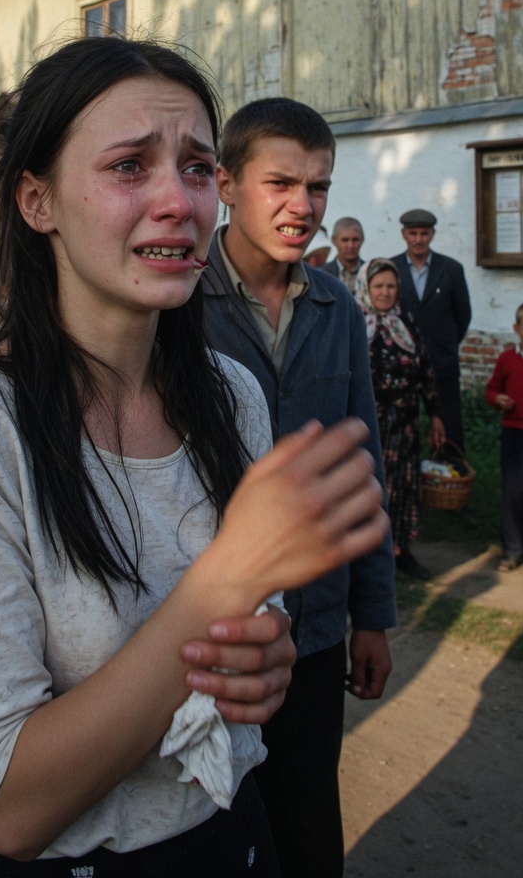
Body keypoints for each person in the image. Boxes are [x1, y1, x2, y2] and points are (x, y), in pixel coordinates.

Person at [0, 39, 387, 878]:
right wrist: (227, 577)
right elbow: (9, 808)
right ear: (37, 200)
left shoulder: (232, 397)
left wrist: (266, 661)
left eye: (196, 168)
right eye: (128, 166)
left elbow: (250, 639)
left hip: (231, 838)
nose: (179, 201)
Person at [202, 97, 396, 878]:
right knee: (214, 830)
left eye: (318, 187)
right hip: (209, 628)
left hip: (315, 629)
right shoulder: (177, 303)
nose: (303, 206)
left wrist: (371, 616)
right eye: (280, 183)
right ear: (225, 184)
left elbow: (362, 464)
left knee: (309, 826)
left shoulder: (336, 307)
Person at [357, 259, 445, 582]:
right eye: (378, 286)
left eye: (391, 286)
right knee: (371, 488)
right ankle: (368, 555)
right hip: (370, 427)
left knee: (403, 488)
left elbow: (425, 372)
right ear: (366, 289)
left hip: (405, 426)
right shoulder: (355, 324)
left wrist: (435, 414)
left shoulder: (406, 323)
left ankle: (400, 551)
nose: (385, 292)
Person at [391, 209, 471, 453]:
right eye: (413, 233)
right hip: (402, 363)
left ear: (432, 235)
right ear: (403, 234)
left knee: (449, 426)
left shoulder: (451, 269)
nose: (418, 239)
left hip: (441, 361)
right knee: (403, 426)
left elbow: (462, 315)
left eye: (424, 234)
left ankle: (451, 469)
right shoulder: (391, 268)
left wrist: (445, 344)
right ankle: (409, 472)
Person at [485, 300, 523, 573]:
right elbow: (491, 389)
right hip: (514, 435)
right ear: (516, 329)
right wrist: (498, 399)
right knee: (513, 494)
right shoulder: (507, 359)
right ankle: (513, 551)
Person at [325, 217, 365, 294]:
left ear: (362, 240)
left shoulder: (372, 272)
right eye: (345, 240)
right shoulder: (322, 274)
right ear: (334, 240)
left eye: (355, 240)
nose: (350, 246)